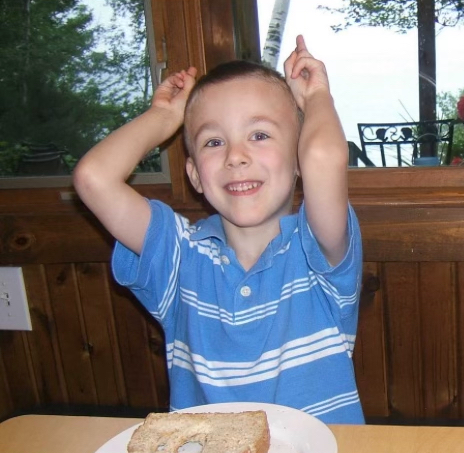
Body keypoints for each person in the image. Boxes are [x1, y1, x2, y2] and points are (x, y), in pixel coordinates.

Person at [72, 36, 364, 424]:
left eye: (259, 135)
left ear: (298, 162)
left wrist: (315, 99)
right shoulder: (179, 259)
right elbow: (94, 178)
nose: (236, 156)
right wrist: (162, 118)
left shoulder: (320, 250)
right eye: (213, 141)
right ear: (194, 174)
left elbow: (324, 156)